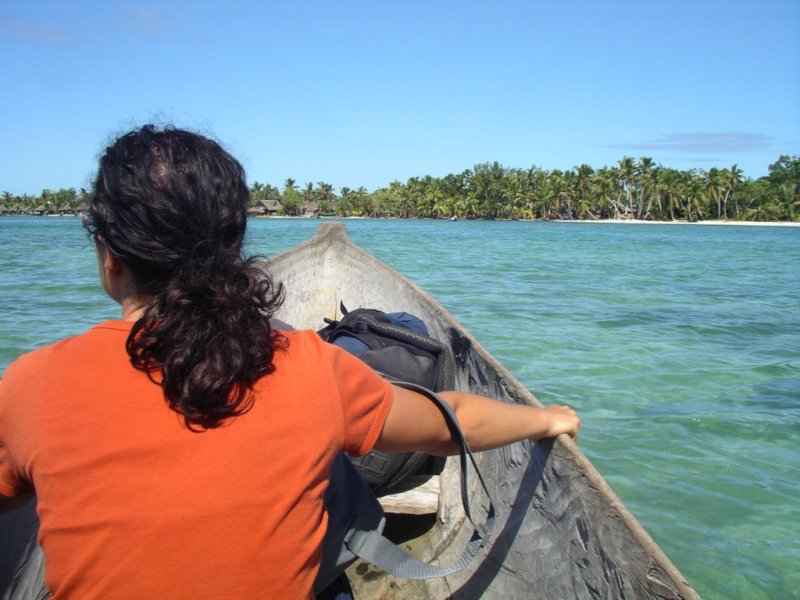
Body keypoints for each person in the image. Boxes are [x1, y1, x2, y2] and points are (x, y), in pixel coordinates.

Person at [0, 125, 579, 599]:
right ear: (231, 250)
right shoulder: (307, 367)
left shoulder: (31, 385)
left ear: (110, 257)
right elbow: (450, 422)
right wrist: (544, 419)